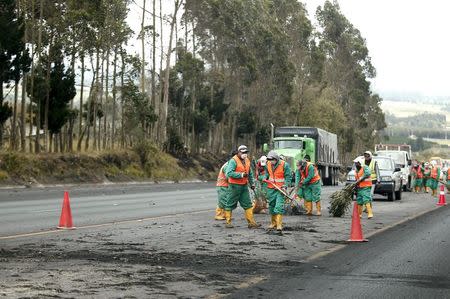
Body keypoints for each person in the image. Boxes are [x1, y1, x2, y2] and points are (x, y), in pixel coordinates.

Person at [224, 145, 261, 229]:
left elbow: (250, 173)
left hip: (244, 186)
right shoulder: (233, 161)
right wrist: (241, 175)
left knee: (248, 204)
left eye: (246, 152)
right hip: (234, 186)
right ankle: (228, 222)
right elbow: (229, 173)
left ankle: (251, 223)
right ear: (239, 152)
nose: (245, 154)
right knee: (230, 203)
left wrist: (252, 184)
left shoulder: (247, 160)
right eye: (243, 152)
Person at [264, 151, 292, 231]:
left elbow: (288, 177)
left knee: (279, 206)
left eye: (272, 160)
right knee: (272, 205)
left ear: (276, 159)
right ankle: (273, 223)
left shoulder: (284, 165)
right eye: (269, 160)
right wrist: (265, 177)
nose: (270, 161)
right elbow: (267, 173)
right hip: (271, 188)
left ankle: (279, 224)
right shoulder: (268, 164)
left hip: (280, 189)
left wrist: (285, 185)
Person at [214, 151, 237, 220]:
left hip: (226, 185)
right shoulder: (228, 165)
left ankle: (225, 215)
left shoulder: (231, 164)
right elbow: (228, 176)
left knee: (227, 201)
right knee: (222, 201)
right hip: (222, 186)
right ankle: (218, 214)